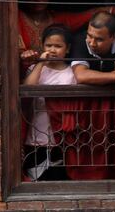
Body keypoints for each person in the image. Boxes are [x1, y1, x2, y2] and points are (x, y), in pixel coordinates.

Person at [62, 12, 115, 180]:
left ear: (113, 37)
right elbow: (81, 76)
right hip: (86, 108)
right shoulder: (80, 41)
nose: (92, 43)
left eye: (99, 39)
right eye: (90, 36)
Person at [18, 0, 115, 72]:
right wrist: (22, 54)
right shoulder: (17, 18)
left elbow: (88, 15)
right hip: (28, 76)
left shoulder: (59, 19)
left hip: (57, 73)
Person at [21, 24, 75, 181]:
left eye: (58, 46)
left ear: (68, 48)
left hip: (61, 139)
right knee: (35, 181)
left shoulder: (71, 73)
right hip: (35, 138)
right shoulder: (35, 68)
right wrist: (40, 64)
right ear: (42, 46)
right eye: (48, 45)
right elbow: (28, 90)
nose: (52, 50)